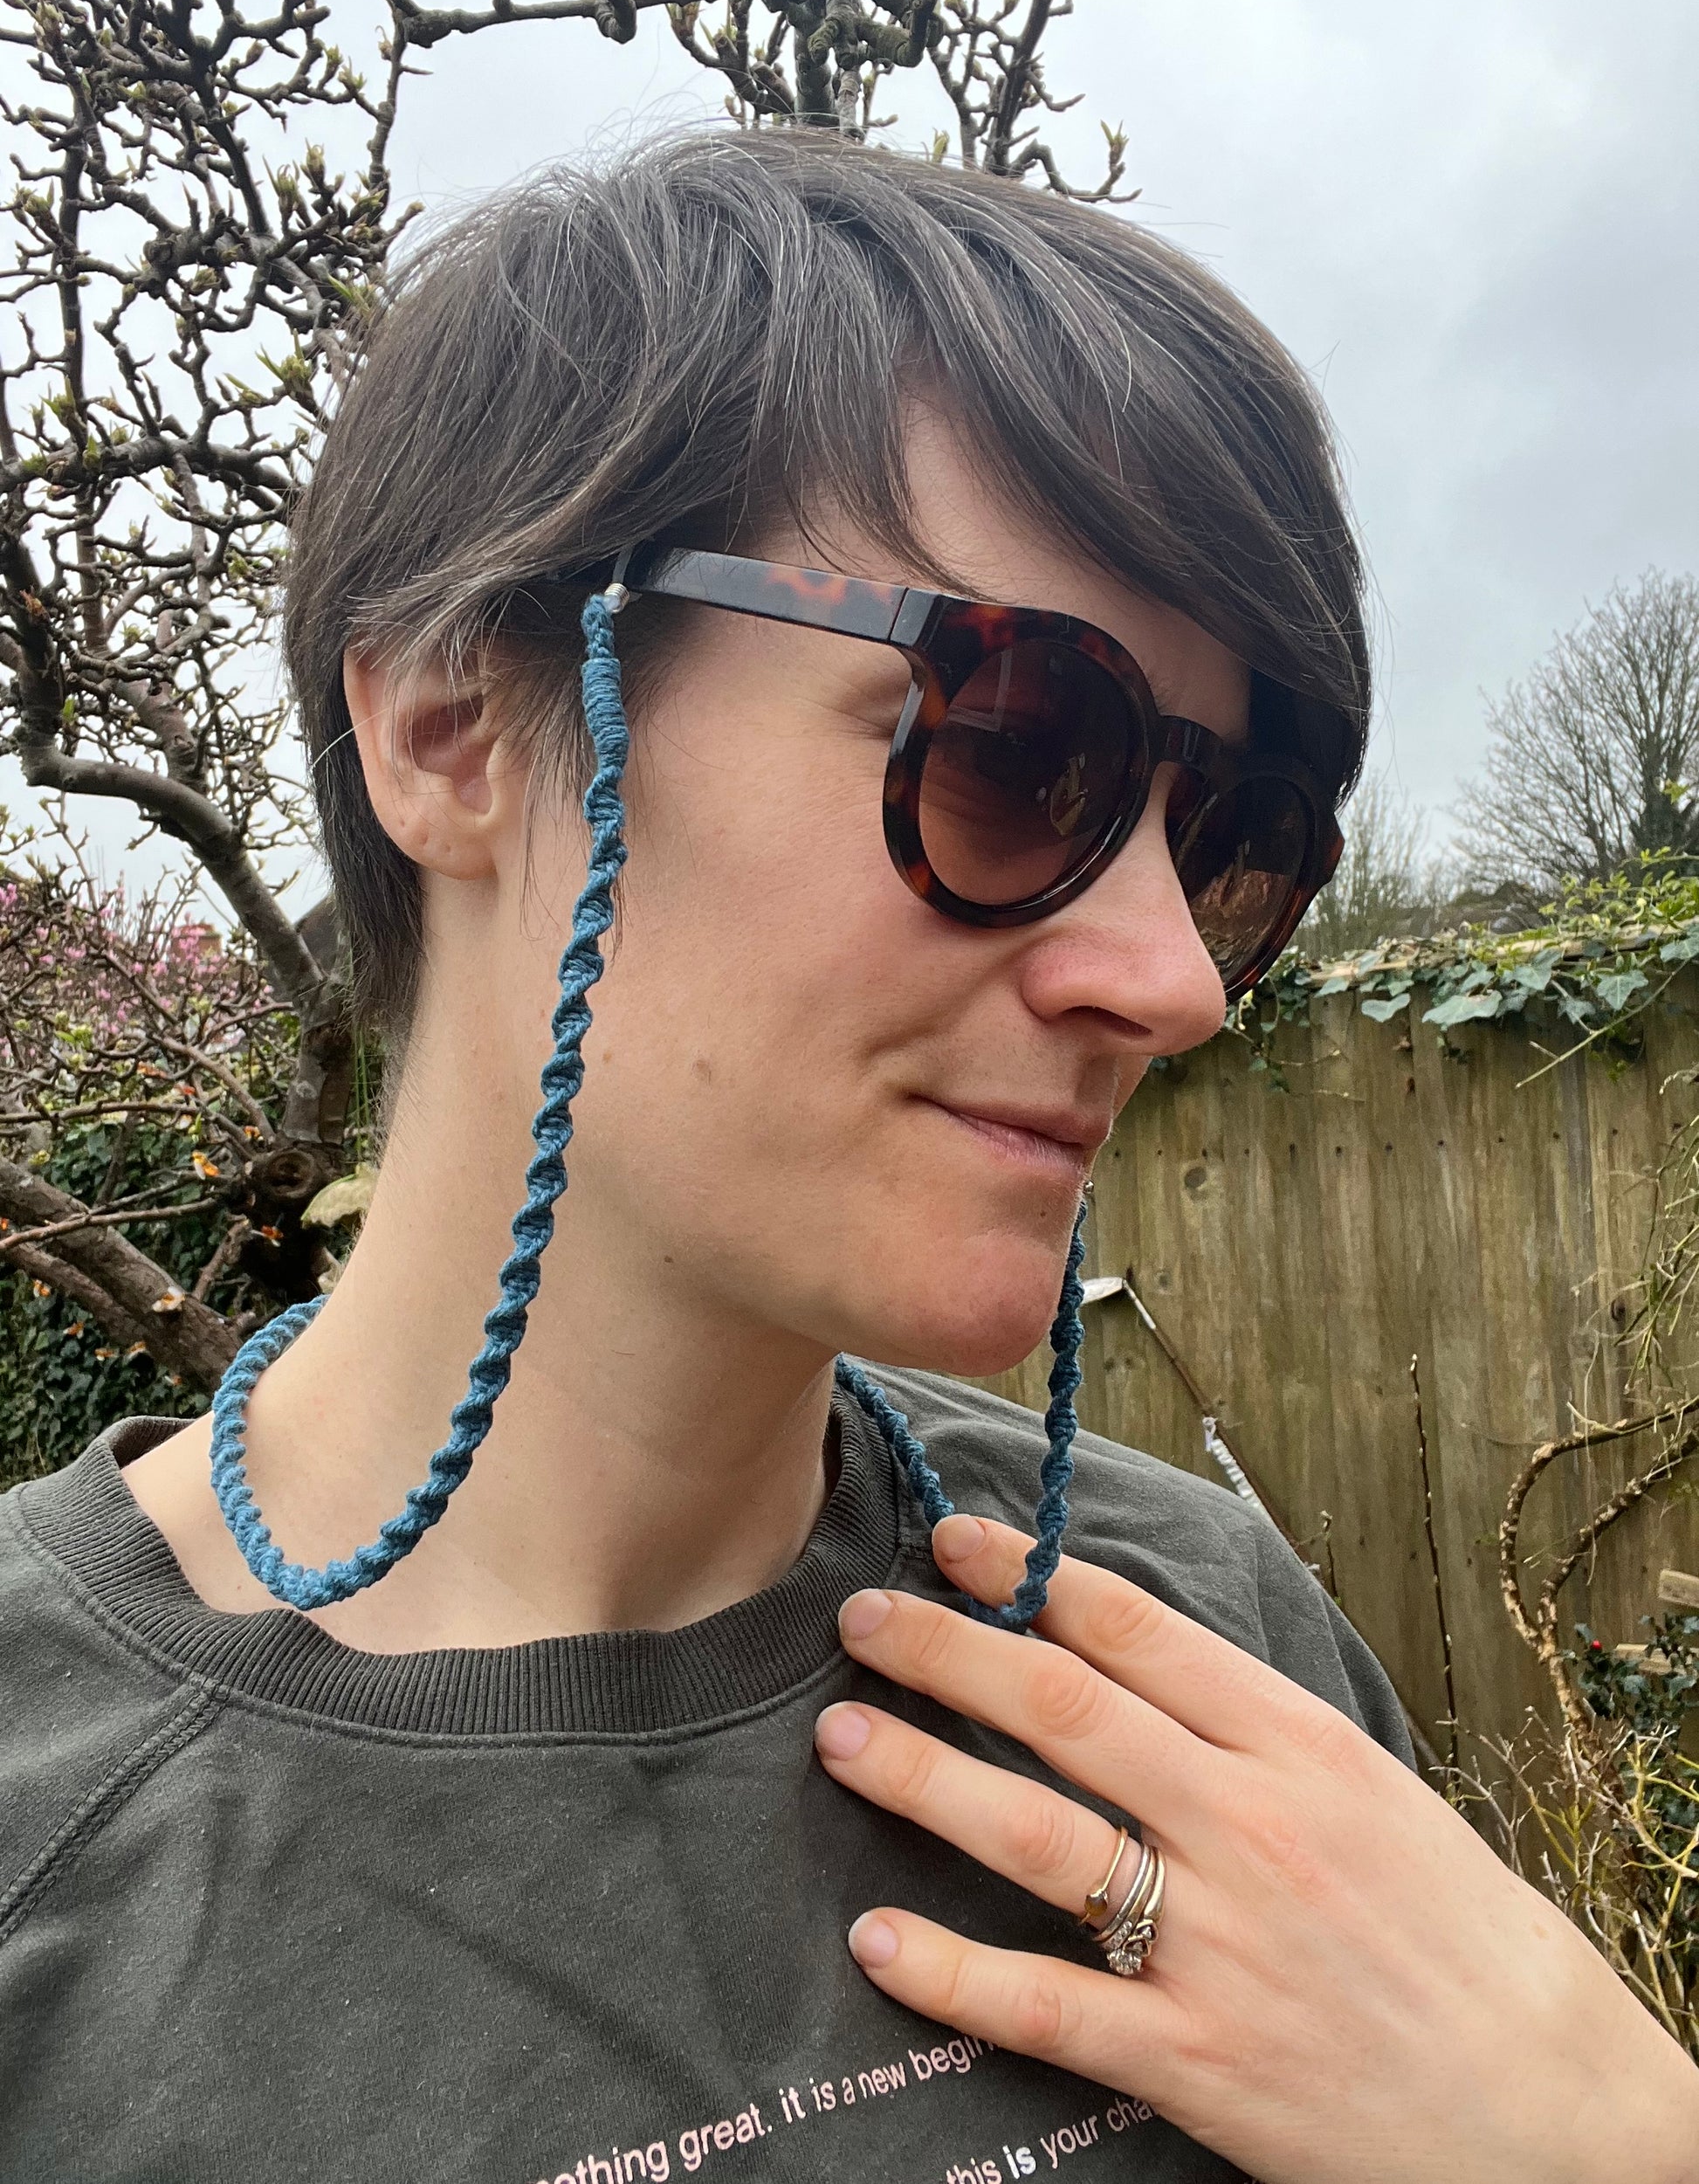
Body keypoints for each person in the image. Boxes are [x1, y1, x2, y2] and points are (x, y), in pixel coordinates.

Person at [0, 128, 1693, 2184]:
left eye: (1229, 836)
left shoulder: (1198, 1638)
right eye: (1014, 745)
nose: (1174, 978)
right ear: (453, 724)